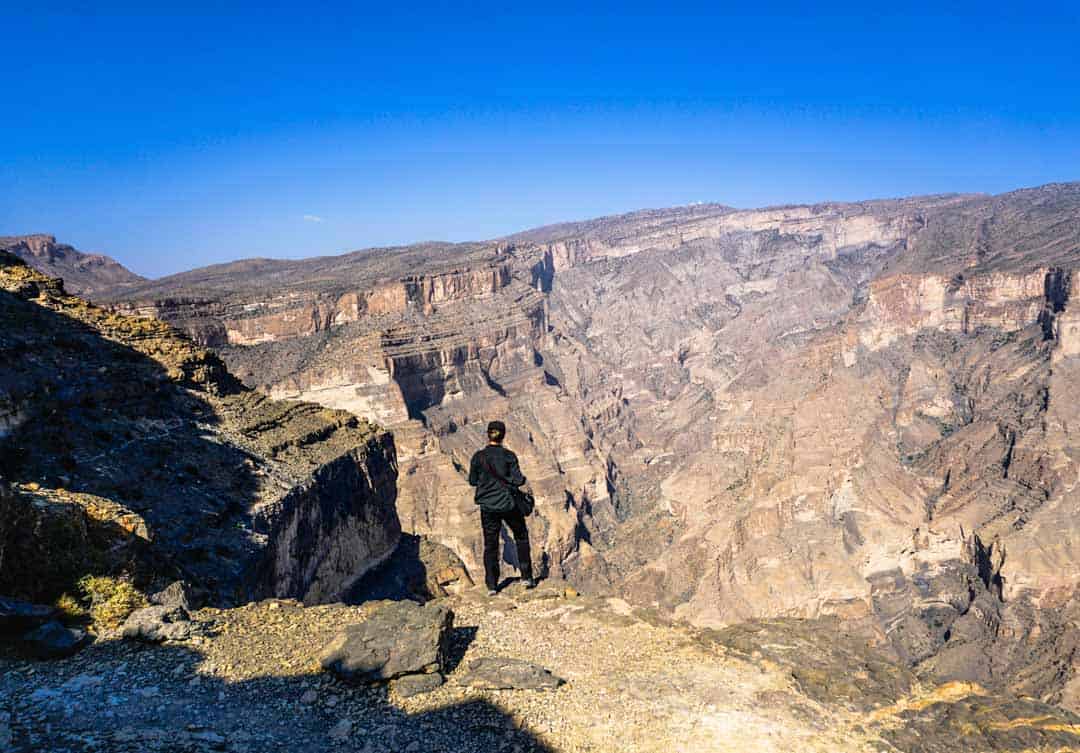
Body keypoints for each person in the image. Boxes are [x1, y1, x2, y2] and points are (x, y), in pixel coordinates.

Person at [468, 420, 536, 595]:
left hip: (488, 507)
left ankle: (491, 586)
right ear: (503, 435)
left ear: (488, 434)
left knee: (490, 545)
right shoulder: (509, 456)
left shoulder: (478, 457)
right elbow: (518, 479)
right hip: (508, 504)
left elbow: (472, 481)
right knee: (521, 536)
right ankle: (526, 577)